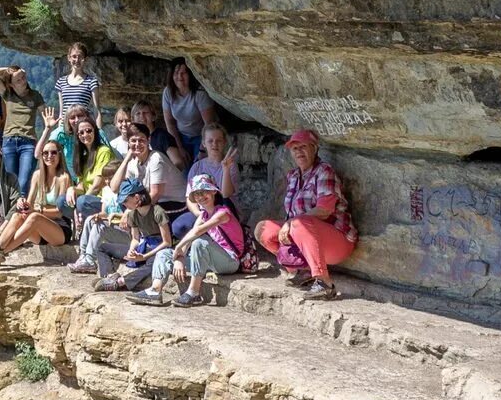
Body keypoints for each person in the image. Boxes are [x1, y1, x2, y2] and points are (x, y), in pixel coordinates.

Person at [254, 130, 357, 301]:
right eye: (295, 148)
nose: (299, 152)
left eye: (303, 147)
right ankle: (302, 271)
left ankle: (324, 283)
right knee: (263, 230)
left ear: (314, 149)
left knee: (299, 224)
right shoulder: (294, 176)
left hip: (337, 239)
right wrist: (290, 224)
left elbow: (324, 210)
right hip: (304, 235)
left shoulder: (324, 171)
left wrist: (292, 223)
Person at [137, 175, 245, 306]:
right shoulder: (203, 215)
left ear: (213, 192)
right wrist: (179, 259)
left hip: (230, 261)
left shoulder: (223, 213)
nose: (201, 197)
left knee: (200, 242)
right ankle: (155, 291)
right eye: (197, 194)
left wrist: (178, 247)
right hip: (212, 260)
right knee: (164, 254)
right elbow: (190, 237)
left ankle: (193, 293)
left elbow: (197, 232)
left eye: (204, 192)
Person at [0, 142, 74, 262]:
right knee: (17, 215)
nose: (49, 156)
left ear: (59, 155)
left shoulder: (64, 178)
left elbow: (59, 213)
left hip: (59, 229)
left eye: (53, 152)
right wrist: (22, 202)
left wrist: (37, 210)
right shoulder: (37, 175)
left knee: (35, 216)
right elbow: (29, 204)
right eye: (45, 153)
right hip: (40, 231)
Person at [77, 178, 170, 289]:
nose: (124, 205)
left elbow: (167, 242)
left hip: (157, 249)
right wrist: (131, 250)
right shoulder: (132, 214)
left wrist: (144, 257)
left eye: (125, 201)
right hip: (142, 246)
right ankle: (109, 276)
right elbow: (135, 238)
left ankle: (121, 282)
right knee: (102, 247)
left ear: (136, 198)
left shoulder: (157, 212)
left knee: (153, 264)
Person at [170, 123, 238, 239]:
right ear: (203, 143)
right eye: (210, 141)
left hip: (223, 210)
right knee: (178, 226)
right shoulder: (197, 167)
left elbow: (227, 194)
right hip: (202, 209)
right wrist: (199, 214)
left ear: (224, 143)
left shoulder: (231, 166)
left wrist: (225, 169)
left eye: (219, 141)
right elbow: (189, 197)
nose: (214, 144)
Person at [107, 123, 185, 213]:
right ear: (128, 142)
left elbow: (155, 194)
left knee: (132, 211)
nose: (137, 144)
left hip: (174, 204)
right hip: (156, 203)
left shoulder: (156, 159)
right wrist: (126, 160)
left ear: (148, 141)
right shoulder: (133, 162)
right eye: (133, 140)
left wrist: (132, 213)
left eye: (141, 140)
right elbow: (115, 188)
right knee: (123, 201)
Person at [0, 64, 44, 191]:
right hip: (9, 141)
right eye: (18, 80)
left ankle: (22, 209)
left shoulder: (35, 95)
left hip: (28, 141)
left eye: (23, 77)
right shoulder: (7, 94)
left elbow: (45, 117)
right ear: (11, 84)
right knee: (10, 182)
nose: (23, 81)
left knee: (24, 182)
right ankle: (13, 210)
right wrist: (11, 71)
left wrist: (43, 141)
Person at [161, 59, 216, 166]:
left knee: (200, 168)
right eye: (176, 73)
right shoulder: (168, 92)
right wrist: (179, 147)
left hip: (201, 136)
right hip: (181, 137)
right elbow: (170, 123)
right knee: (184, 172)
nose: (179, 77)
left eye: (184, 73)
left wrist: (203, 149)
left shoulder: (199, 93)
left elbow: (209, 123)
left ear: (190, 74)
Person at [67, 113, 117, 225]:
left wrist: (78, 207)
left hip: (104, 200)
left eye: (89, 131)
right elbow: (81, 186)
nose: (85, 134)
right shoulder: (83, 156)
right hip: (88, 198)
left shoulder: (103, 151)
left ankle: (84, 220)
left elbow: (97, 185)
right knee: (62, 201)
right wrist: (72, 189)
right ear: (77, 136)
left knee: (82, 201)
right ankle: (82, 221)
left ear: (95, 131)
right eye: (81, 132)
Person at [132, 99, 187, 169]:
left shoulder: (162, 136)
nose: (142, 116)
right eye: (138, 113)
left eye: (145, 113)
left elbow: (178, 162)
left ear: (153, 116)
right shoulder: (133, 140)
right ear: (133, 119)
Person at [54, 42, 100, 117]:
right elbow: (62, 110)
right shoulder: (61, 82)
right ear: (69, 58)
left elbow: (96, 110)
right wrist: (60, 126)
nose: (77, 60)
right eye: (74, 56)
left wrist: (99, 128)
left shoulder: (91, 81)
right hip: (65, 125)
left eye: (80, 57)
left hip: (83, 125)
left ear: (85, 59)